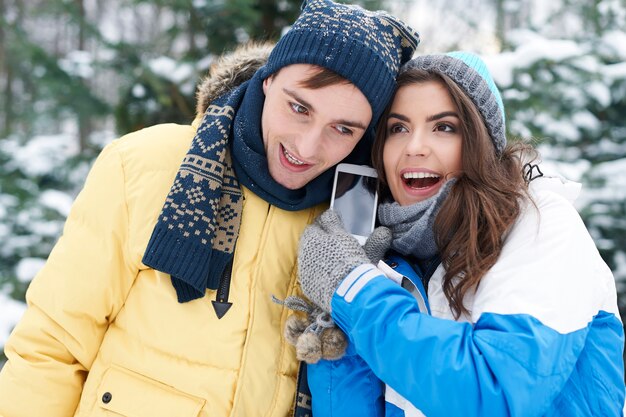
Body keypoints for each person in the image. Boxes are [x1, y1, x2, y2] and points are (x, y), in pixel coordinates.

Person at [0, 1, 420, 415]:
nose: (307, 147)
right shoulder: (144, 165)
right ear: (269, 79)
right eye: (299, 108)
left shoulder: (353, 216)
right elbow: (52, 348)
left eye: (342, 129)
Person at [296, 52, 625, 416]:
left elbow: (493, 394)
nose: (414, 146)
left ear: (482, 146)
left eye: (444, 127)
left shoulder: (541, 223)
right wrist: (342, 329)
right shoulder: (395, 260)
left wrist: (354, 289)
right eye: (398, 128)